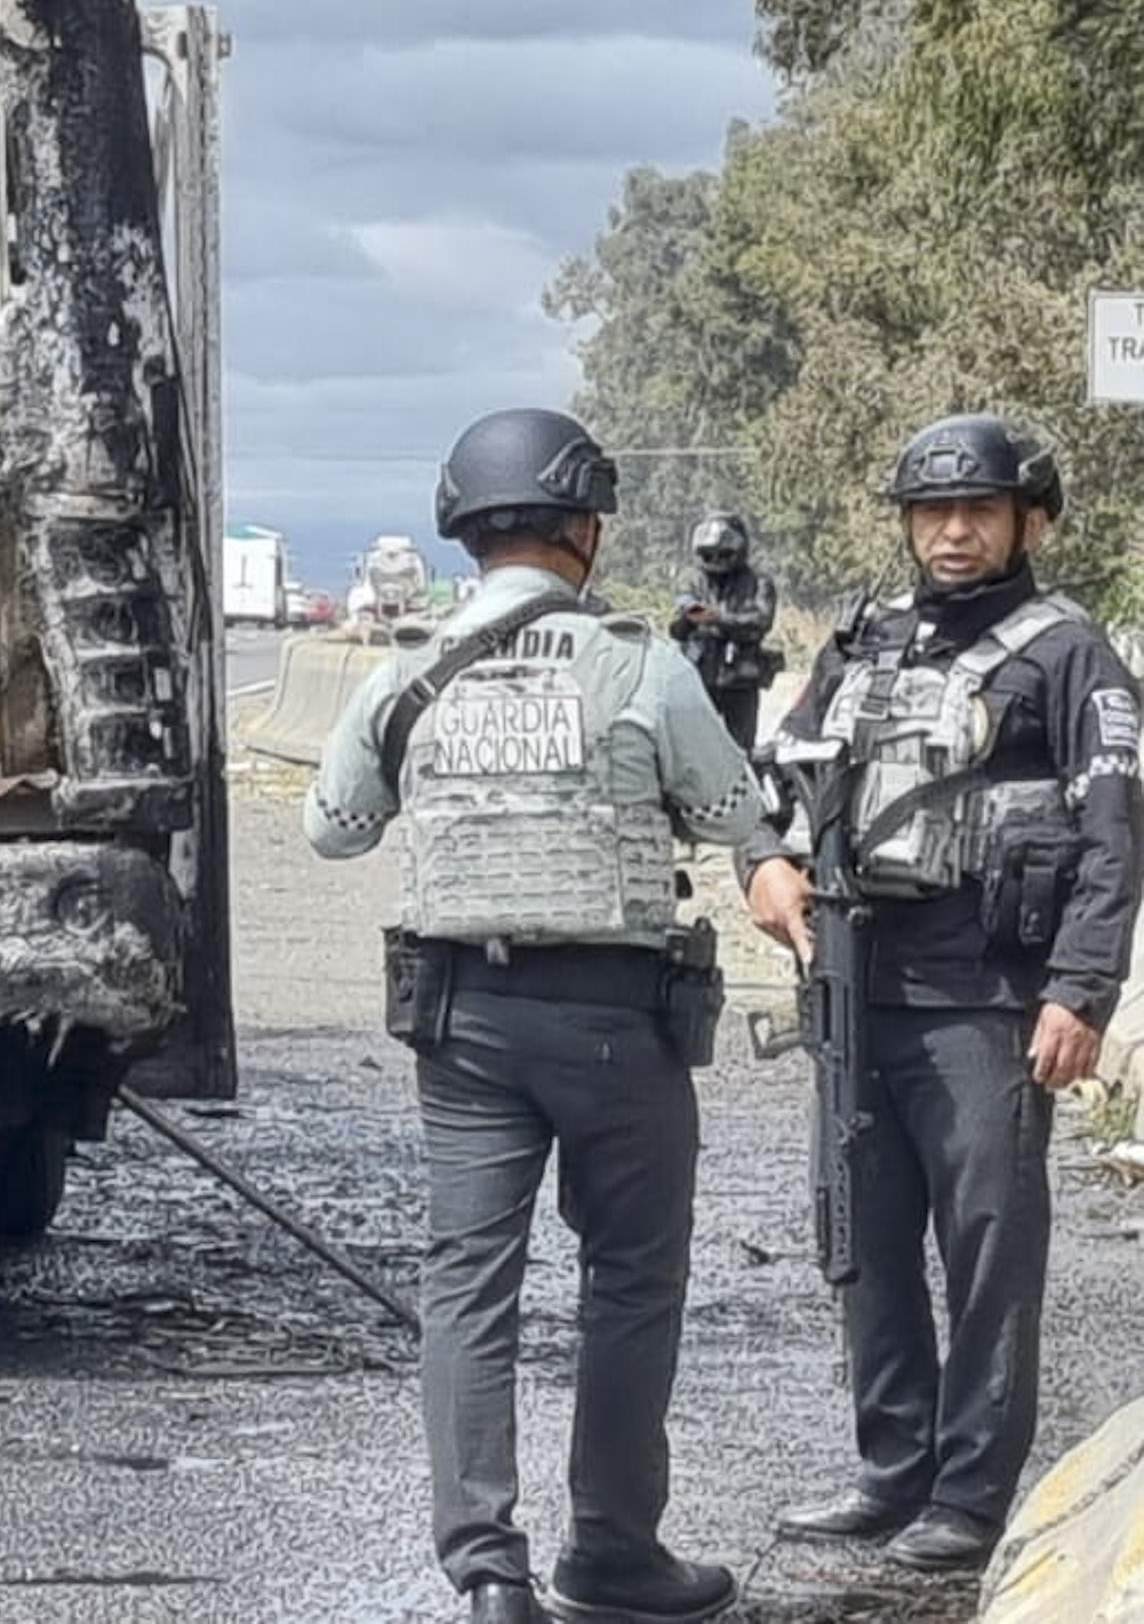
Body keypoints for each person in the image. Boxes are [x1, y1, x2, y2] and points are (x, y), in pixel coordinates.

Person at [305, 407, 763, 1624]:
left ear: (465, 529)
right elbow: (732, 809)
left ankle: (487, 1575)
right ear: (584, 528)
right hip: (619, 1024)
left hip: (463, 1024)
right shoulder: (638, 663)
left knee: (468, 1286)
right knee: (630, 1279)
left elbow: (332, 829)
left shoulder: (407, 669)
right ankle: (611, 1552)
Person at [744, 413, 1139, 1572]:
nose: (953, 530)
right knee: (862, 1240)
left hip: (989, 999)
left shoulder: (1070, 655)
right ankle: (892, 1469)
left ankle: (969, 1493)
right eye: (933, 511)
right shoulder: (861, 642)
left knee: (987, 1255)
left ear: (1030, 521)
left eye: (978, 510)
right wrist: (762, 861)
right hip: (857, 988)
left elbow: (1115, 836)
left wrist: (1081, 990)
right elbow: (772, 783)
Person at [669, 510, 782, 751]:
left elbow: (761, 621)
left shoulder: (758, 582)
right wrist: (690, 618)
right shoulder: (693, 581)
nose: (716, 559)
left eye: (723, 554)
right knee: (694, 750)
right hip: (700, 678)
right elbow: (676, 629)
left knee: (740, 751)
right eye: (710, 554)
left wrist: (717, 618)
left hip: (740, 680)